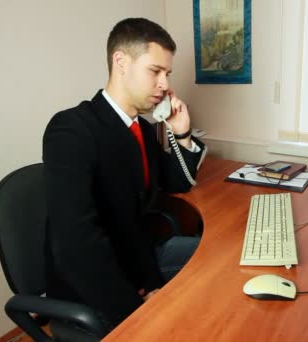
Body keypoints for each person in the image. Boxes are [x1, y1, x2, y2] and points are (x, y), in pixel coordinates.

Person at [42, 17, 205, 334]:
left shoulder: (142, 129)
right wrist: (134, 308)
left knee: (216, 256)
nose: (164, 85)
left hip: (141, 258)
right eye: (155, 71)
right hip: (100, 287)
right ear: (121, 62)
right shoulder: (72, 129)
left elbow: (179, 182)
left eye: (167, 74)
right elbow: (76, 245)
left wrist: (183, 135)